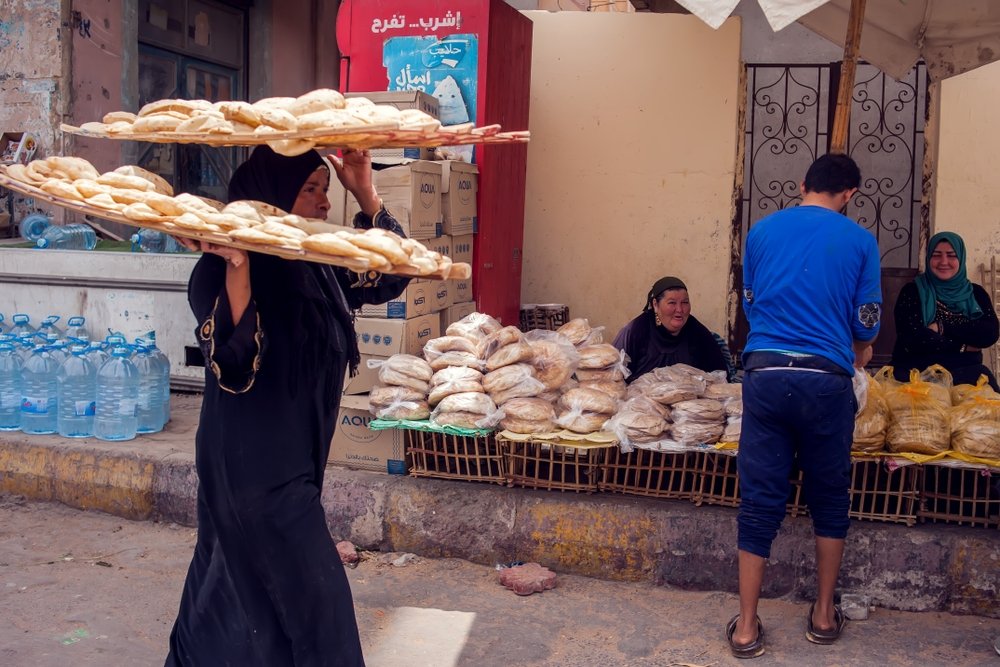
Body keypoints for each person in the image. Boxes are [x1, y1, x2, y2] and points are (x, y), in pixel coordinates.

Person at [165, 146, 410, 666]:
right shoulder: (216, 271)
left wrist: (364, 191)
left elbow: (394, 272)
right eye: (310, 190)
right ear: (269, 196)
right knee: (320, 614)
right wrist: (236, 261)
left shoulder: (318, 263)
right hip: (251, 468)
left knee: (235, 591)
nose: (324, 204)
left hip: (293, 460)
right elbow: (233, 362)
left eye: (325, 189)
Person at [730, 154, 881, 659]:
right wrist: (861, 347)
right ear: (850, 195)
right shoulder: (860, 240)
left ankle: (747, 627)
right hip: (825, 378)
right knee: (829, 495)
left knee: (759, 499)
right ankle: (821, 615)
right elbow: (866, 320)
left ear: (802, 186)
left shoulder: (762, 231)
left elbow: (751, 302)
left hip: (766, 373)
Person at [890, 231, 999, 390]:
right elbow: (914, 339)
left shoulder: (976, 294)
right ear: (928, 258)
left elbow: (989, 333)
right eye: (937, 255)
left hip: (966, 375)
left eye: (951, 255)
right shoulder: (913, 292)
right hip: (916, 376)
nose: (943, 261)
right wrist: (963, 347)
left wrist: (942, 328)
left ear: (961, 259)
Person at [612, 276, 729, 382]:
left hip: (687, 403)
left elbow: (720, 378)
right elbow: (611, 375)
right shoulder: (636, 331)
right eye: (672, 303)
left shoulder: (698, 333)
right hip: (638, 403)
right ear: (655, 305)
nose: (679, 309)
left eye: (685, 302)